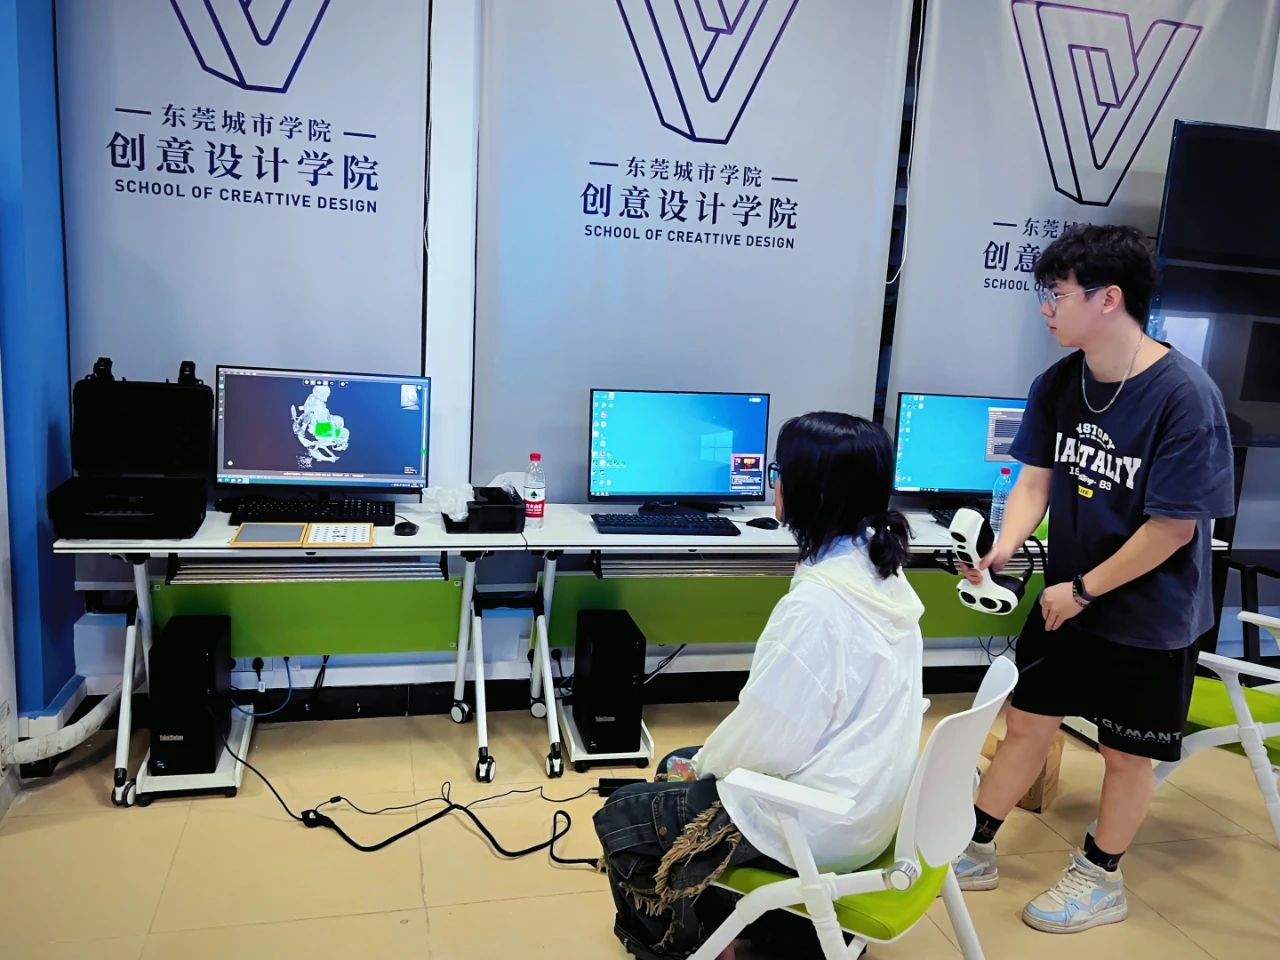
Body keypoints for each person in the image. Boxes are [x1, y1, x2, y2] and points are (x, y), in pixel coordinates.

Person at [954, 225, 1235, 934]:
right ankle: (975, 845)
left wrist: (1082, 591)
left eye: (1057, 294)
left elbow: (1172, 529)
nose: (1045, 308)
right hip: (1067, 598)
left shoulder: (1185, 397)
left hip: (1149, 611)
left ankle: (1101, 877)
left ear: (1108, 299)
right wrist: (1003, 549)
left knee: (1124, 753)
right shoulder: (1058, 382)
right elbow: (1035, 482)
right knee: (1027, 722)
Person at [593, 412, 925, 959]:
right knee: (675, 761)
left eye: (779, 472)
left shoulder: (818, 607)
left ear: (811, 491)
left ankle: (681, 948)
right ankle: (754, 925)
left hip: (817, 826)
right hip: (871, 806)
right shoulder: (881, 572)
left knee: (623, 814)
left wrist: (706, 766)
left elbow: (768, 737)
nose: (775, 484)